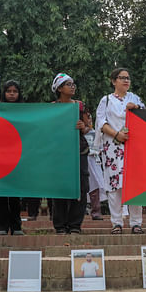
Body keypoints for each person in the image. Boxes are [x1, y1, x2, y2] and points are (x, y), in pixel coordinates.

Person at [95, 68, 145, 234]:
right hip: (113, 148)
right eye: (122, 78)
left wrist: (136, 107)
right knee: (114, 186)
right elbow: (101, 122)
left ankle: (136, 222)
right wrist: (117, 134)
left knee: (135, 185)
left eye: (128, 78)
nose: (126, 81)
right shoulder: (106, 100)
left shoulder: (134, 98)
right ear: (113, 81)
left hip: (133, 147)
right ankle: (116, 222)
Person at [51, 73, 90, 234]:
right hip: (59, 153)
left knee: (81, 187)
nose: (72, 87)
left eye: (73, 84)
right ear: (59, 88)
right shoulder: (52, 107)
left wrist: (83, 127)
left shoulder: (80, 106)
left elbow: (89, 126)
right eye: (68, 84)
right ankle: (60, 225)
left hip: (79, 151)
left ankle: (75, 225)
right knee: (59, 187)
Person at [0, 80, 25, 235]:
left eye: (15, 91)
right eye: (8, 91)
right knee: (1, 192)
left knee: (15, 192)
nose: (12, 94)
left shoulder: (25, 111)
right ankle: (0, 226)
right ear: (3, 93)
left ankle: (16, 226)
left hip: (18, 156)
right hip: (0, 156)